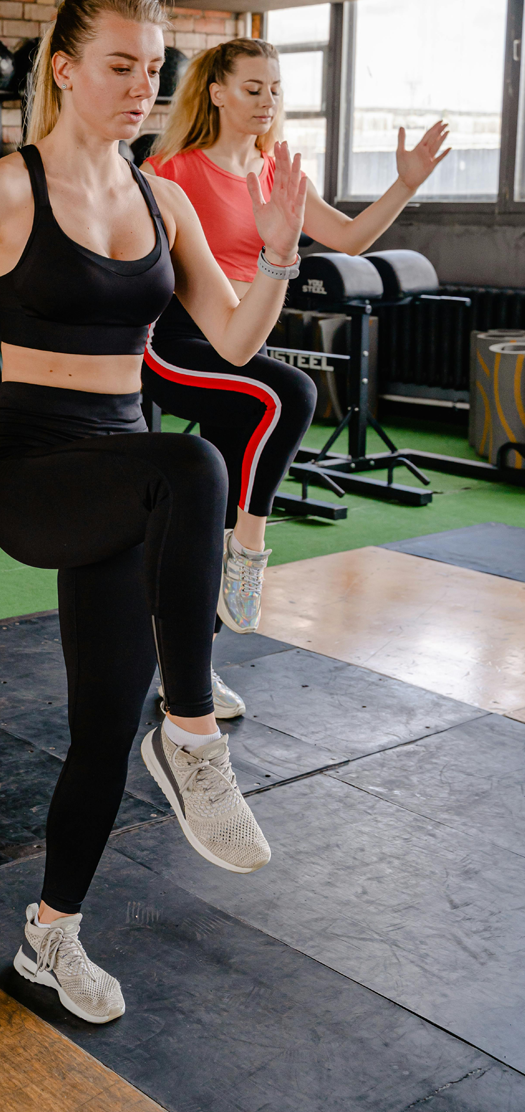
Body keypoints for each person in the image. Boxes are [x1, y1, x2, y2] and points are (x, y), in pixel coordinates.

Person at [0, 0, 309, 1025]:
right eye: (120, 64)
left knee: (102, 723)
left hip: (125, 476)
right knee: (192, 465)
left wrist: (280, 247)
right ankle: (192, 733)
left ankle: (51, 931)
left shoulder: (166, 199)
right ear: (64, 67)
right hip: (33, 471)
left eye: (153, 67)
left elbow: (235, 341)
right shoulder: (6, 191)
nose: (142, 85)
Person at [141, 40, 448, 719]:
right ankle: (249, 552)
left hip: (240, 353)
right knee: (295, 392)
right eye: (252, 88)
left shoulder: (278, 173)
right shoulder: (172, 170)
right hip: (176, 346)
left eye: (275, 89)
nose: (267, 101)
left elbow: (351, 237)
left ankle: (186, 676)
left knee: (206, 513)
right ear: (216, 93)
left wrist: (406, 184)